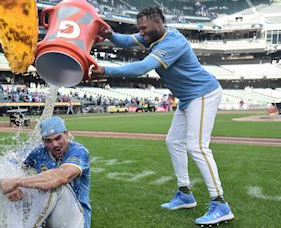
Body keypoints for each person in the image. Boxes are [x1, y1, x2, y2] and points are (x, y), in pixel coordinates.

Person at [91, 6, 234, 226]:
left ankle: (220, 203)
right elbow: (127, 41)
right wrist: (111, 35)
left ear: (158, 22)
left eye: (145, 29)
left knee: (197, 146)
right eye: (140, 29)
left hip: (203, 93)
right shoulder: (153, 35)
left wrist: (107, 70)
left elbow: (142, 68)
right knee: (173, 141)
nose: (142, 33)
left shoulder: (172, 41)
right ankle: (185, 194)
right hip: (188, 98)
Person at [0, 116, 91, 228]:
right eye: (49, 141)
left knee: (53, 184)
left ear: (67, 134)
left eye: (58, 138)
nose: (55, 145)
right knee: (20, 189)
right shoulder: (38, 152)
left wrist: (17, 181)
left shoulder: (79, 151)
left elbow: (61, 177)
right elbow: (7, 164)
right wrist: (7, 182)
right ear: (43, 141)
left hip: (76, 217)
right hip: (49, 215)